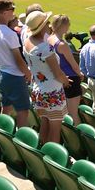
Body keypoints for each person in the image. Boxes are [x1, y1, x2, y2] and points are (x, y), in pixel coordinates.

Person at [23, 11, 69, 144]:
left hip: (38, 90)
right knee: (55, 129)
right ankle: (53, 160)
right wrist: (65, 81)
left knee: (45, 122)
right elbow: (57, 73)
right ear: (42, 26)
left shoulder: (27, 41)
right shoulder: (45, 48)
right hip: (52, 92)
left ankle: (42, 151)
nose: (49, 24)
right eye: (46, 22)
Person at [0, 0, 32, 128]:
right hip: (13, 77)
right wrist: (28, 74)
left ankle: (2, 131)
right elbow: (18, 60)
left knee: (6, 108)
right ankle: (22, 142)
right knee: (23, 111)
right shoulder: (9, 34)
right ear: (2, 13)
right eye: (11, 9)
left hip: (1, 75)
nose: (13, 11)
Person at [49, 15, 84, 122]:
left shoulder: (49, 39)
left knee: (64, 112)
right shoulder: (62, 44)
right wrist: (80, 74)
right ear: (63, 26)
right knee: (73, 114)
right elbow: (73, 64)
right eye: (68, 24)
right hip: (71, 80)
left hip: (58, 78)